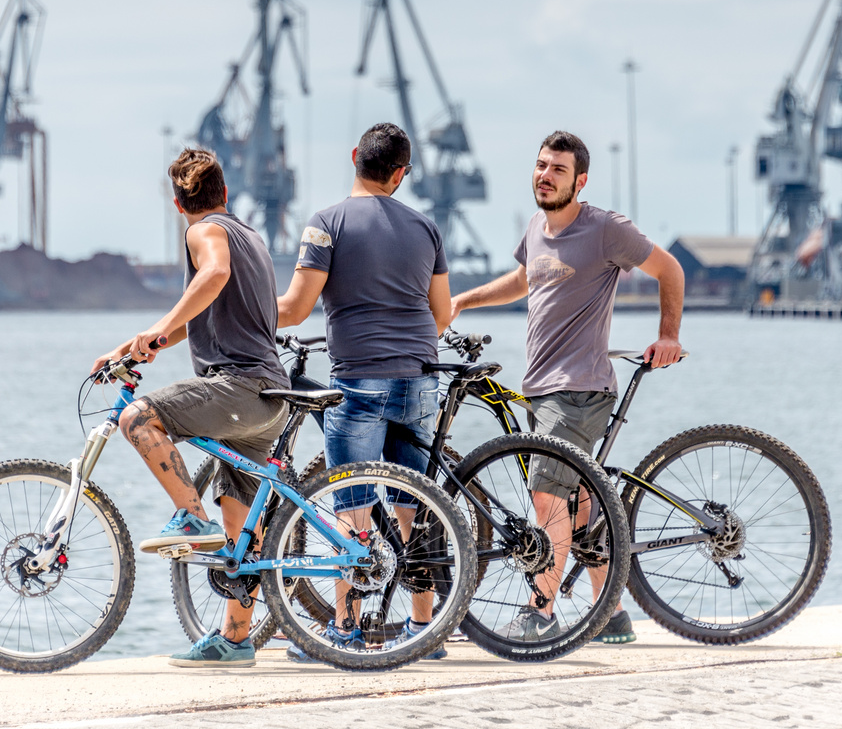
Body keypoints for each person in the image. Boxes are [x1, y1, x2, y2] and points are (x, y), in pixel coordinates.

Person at [452, 129, 684, 645]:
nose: (545, 175)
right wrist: (463, 301)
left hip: (578, 389)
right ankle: (612, 615)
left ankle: (540, 612)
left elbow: (670, 269)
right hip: (542, 387)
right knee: (577, 508)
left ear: (580, 180)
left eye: (557, 169)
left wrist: (669, 335)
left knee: (546, 497)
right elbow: (522, 281)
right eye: (540, 165)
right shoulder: (537, 226)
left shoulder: (604, 229)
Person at [94, 147, 291, 669]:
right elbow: (200, 315)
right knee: (239, 530)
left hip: (239, 389)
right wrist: (131, 347)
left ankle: (189, 515)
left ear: (179, 206)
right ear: (225, 192)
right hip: (270, 397)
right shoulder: (252, 236)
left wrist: (158, 328)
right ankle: (235, 639)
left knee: (137, 416)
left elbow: (214, 276)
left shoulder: (205, 232)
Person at [275, 122, 454, 661]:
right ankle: (422, 629)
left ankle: (347, 629)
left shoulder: (326, 224)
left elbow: (296, 308)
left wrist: (238, 312)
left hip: (359, 377)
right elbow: (442, 314)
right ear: (401, 174)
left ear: (355, 157)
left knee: (352, 503)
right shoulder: (426, 227)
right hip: (421, 375)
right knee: (414, 503)